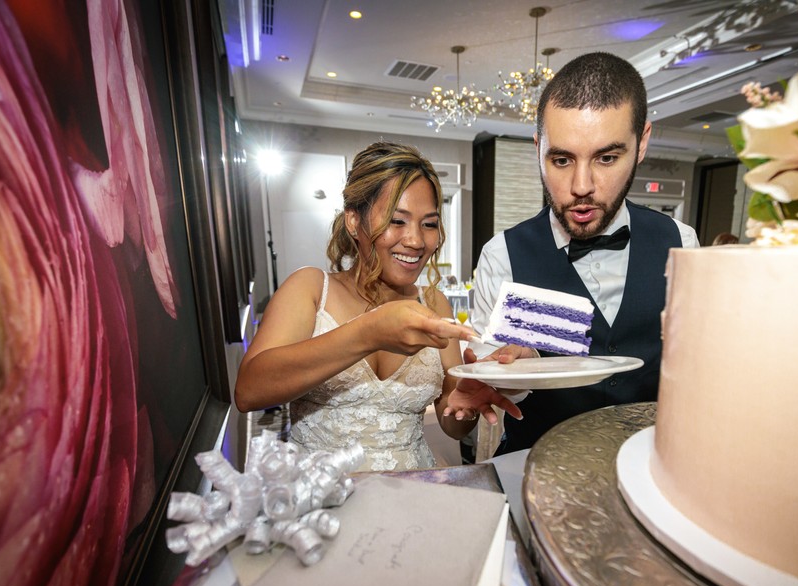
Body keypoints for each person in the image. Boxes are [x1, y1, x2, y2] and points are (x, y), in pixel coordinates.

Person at [235, 141, 520, 472]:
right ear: (354, 222)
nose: (416, 240)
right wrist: (368, 333)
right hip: (322, 500)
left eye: (429, 224)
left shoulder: (434, 302)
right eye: (397, 221)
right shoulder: (311, 289)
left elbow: (452, 425)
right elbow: (249, 391)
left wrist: (465, 403)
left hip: (411, 492)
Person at [466, 51, 700, 454]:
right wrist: (516, 373)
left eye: (607, 158)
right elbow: (497, 393)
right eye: (561, 159)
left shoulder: (681, 243)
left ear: (641, 143)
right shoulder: (503, 256)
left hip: (648, 470)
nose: (581, 186)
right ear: (537, 148)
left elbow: (697, 371)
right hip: (534, 469)